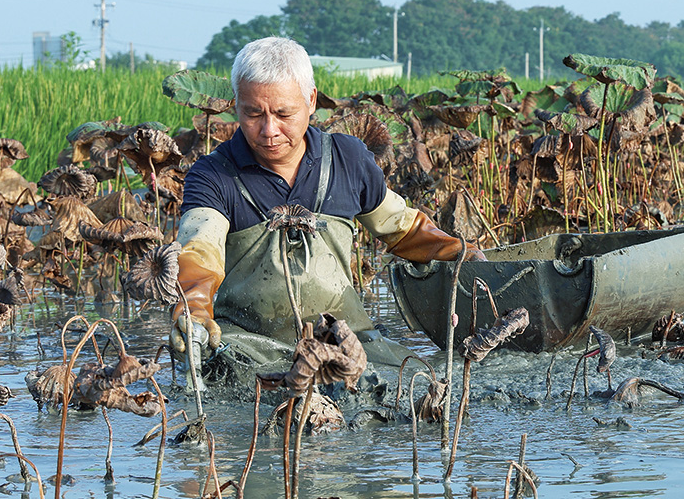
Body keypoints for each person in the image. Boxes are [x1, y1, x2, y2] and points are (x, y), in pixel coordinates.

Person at [169, 37, 483, 370]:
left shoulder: (347, 159)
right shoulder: (213, 173)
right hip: (250, 344)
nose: (268, 130)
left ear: (311, 100)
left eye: (283, 113)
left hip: (346, 336)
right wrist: (195, 309)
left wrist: (463, 253)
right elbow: (200, 247)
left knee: (418, 379)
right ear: (236, 105)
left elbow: (401, 228)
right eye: (253, 114)